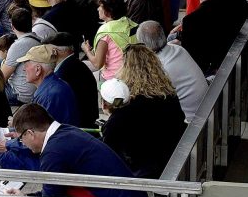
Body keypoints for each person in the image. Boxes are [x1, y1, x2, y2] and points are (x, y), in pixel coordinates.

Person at [8, 103, 146, 197]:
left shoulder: (53, 153)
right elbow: (54, 193)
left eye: (21, 139)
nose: (23, 144)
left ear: (30, 133)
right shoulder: (66, 131)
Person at [100, 45, 186, 178]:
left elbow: (109, 146)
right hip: (172, 164)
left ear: (126, 69)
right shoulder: (169, 96)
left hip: (142, 175)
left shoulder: (127, 109)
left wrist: (112, 115)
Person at [178, 0, 246, 75]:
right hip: (234, 65)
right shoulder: (232, 9)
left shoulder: (190, 21)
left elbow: (190, 58)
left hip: (210, 74)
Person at [136, 21, 207, 121]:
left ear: (144, 45)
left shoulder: (160, 69)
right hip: (205, 110)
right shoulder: (177, 49)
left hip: (192, 123)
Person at [17, 45, 79, 126]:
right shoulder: (53, 85)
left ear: (38, 69)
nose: (24, 69)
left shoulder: (48, 95)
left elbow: (38, 130)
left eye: (26, 65)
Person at [47, 33, 99, 128]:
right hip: (87, 119)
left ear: (55, 51)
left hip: (78, 124)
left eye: (47, 50)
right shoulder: (75, 64)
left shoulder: (63, 73)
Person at [2, 7, 42, 105]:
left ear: (12, 27)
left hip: (19, 95)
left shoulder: (17, 46)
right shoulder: (38, 39)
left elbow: (2, 78)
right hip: (35, 90)